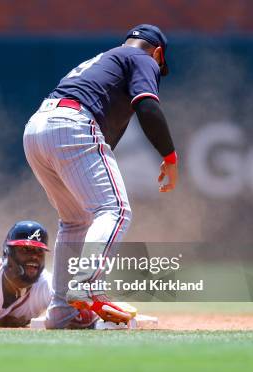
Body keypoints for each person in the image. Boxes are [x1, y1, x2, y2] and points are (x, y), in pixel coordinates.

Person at [23, 24, 177, 329]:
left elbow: (110, 134)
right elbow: (147, 106)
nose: (157, 70)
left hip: (37, 128)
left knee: (75, 220)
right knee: (115, 210)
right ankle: (88, 285)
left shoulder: (106, 60)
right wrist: (170, 156)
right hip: (73, 123)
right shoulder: (143, 58)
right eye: (160, 64)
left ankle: (63, 311)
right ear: (158, 53)